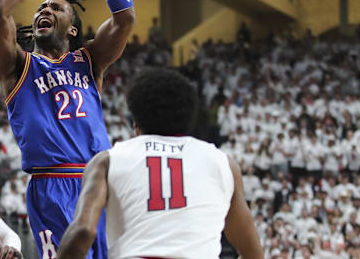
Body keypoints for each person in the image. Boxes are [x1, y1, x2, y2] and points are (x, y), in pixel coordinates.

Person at [0, 0, 135, 259]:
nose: (44, 11)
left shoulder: (89, 60)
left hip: (98, 181)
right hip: (51, 184)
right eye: (40, 9)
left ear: (72, 29)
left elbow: (125, 16)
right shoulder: (16, 66)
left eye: (55, 8)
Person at [57, 68, 263, 259]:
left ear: (135, 121)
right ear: (189, 117)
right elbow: (253, 253)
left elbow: (83, 232)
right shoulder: (223, 163)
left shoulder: (107, 160)